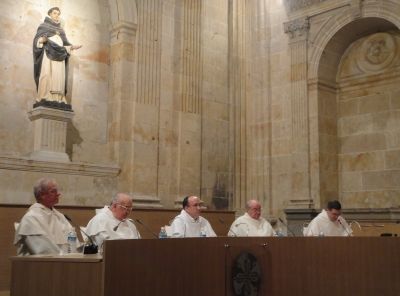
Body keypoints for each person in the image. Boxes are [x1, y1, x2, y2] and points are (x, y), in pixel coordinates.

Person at [14, 178, 75, 255]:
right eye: (53, 191)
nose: (58, 194)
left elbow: (73, 243)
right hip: (38, 265)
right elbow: (44, 251)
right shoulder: (31, 218)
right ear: (42, 195)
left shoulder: (60, 216)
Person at [33, 7, 82, 103]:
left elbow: (65, 44)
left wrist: (72, 47)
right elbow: (37, 41)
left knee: (59, 76)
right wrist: (41, 40)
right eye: (55, 13)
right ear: (50, 14)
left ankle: (58, 98)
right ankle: (45, 96)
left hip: (60, 57)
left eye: (58, 14)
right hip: (48, 54)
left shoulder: (61, 30)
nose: (57, 15)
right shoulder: (43, 26)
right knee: (47, 74)